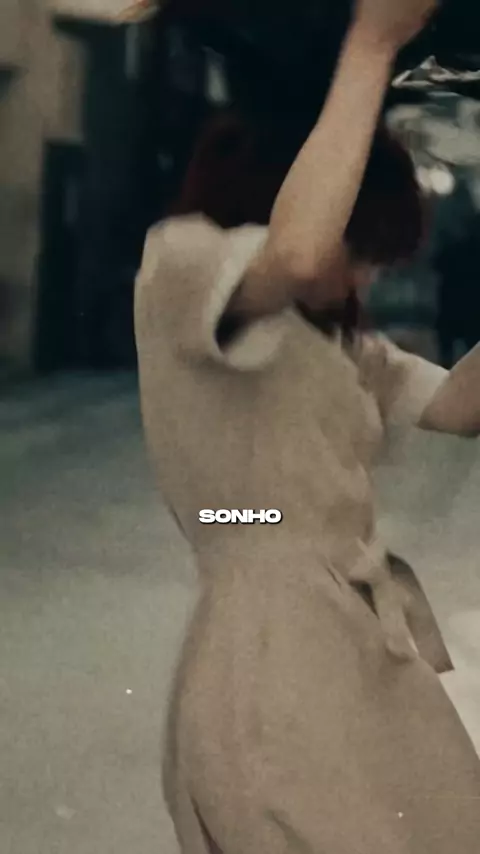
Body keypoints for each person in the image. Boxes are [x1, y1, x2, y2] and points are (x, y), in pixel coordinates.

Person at [135, 0, 480, 851]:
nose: (362, 276)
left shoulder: (340, 348)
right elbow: (296, 253)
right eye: (361, 249)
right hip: (269, 659)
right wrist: (373, 41)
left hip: (356, 644)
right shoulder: (181, 266)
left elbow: (463, 407)